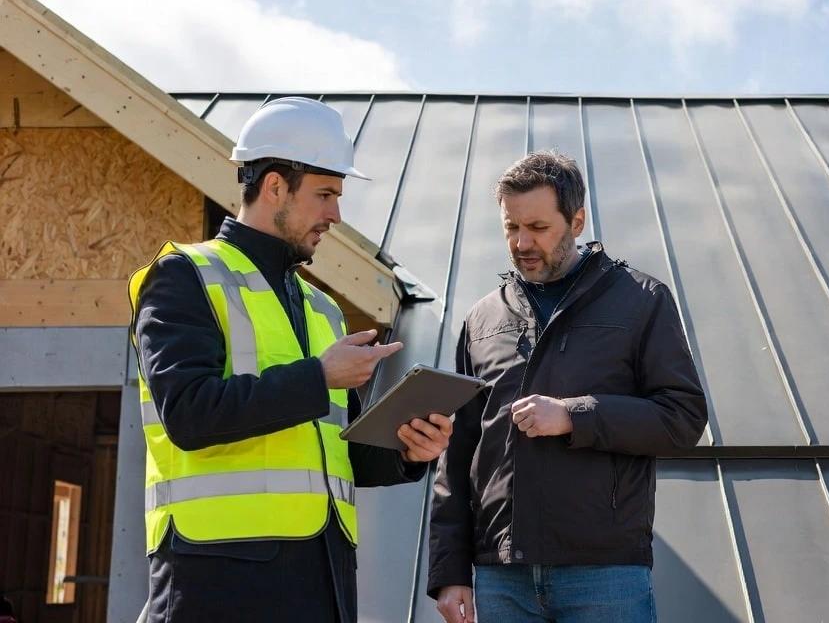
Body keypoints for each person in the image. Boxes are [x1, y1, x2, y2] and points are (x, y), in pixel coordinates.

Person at [130, 96, 452, 623]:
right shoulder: (184, 276)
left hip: (322, 578)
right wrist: (320, 376)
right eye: (325, 194)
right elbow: (189, 414)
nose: (336, 214)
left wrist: (407, 452)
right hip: (219, 580)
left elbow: (331, 456)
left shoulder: (321, 308)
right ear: (275, 185)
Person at [429, 150, 708, 623]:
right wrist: (449, 570)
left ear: (576, 221)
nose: (521, 242)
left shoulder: (641, 302)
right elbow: (455, 455)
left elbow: (682, 417)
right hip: (501, 576)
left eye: (537, 228)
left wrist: (574, 416)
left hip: (605, 574)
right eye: (511, 228)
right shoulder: (481, 320)